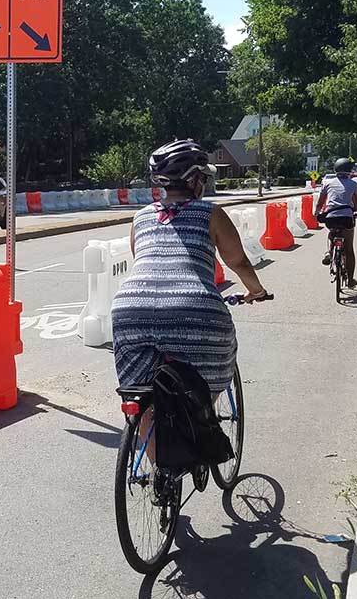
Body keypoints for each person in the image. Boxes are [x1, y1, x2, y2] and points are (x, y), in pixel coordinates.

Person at [111, 139, 269, 455]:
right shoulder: (210, 213)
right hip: (195, 309)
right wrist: (256, 291)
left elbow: (142, 259)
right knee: (206, 383)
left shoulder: (141, 217)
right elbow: (237, 261)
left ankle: (161, 475)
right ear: (197, 180)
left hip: (130, 310)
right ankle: (199, 422)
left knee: (139, 395)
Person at [317, 158, 357, 288]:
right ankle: (351, 280)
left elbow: (320, 203)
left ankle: (329, 252)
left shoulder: (327, 183)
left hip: (331, 218)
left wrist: (316, 213)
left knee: (332, 231)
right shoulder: (354, 184)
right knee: (349, 250)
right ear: (349, 171)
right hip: (346, 218)